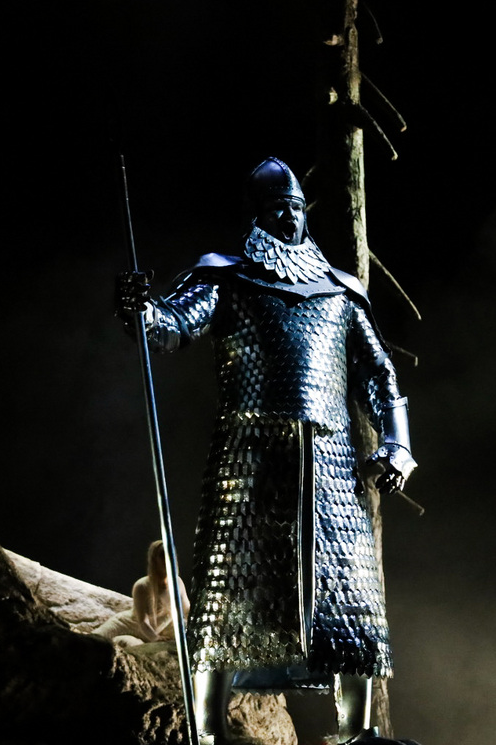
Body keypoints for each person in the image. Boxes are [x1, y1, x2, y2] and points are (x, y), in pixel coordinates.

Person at [117, 157, 417, 745]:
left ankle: (356, 733)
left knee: (350, 605)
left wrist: (398, 445)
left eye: (297, 207)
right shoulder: (226, 278)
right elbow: (173, 324)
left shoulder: (340, 291)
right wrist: (142, 311)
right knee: (228, 600)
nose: (290, 218)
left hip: (331, 465)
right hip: (249, 460)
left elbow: (380, 376)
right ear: (257, 214)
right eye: (279, 208)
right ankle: (207, 734)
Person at [96, 540, 191, 648]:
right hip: (129, 625)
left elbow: (186, 609)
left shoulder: (178, 583)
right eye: (162, 556)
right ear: (154, 560)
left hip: (161, 628)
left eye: (171, 554)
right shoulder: (142, 586)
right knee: (94, 639)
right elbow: (142, 621)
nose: (168, 559)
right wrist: (155, 638)